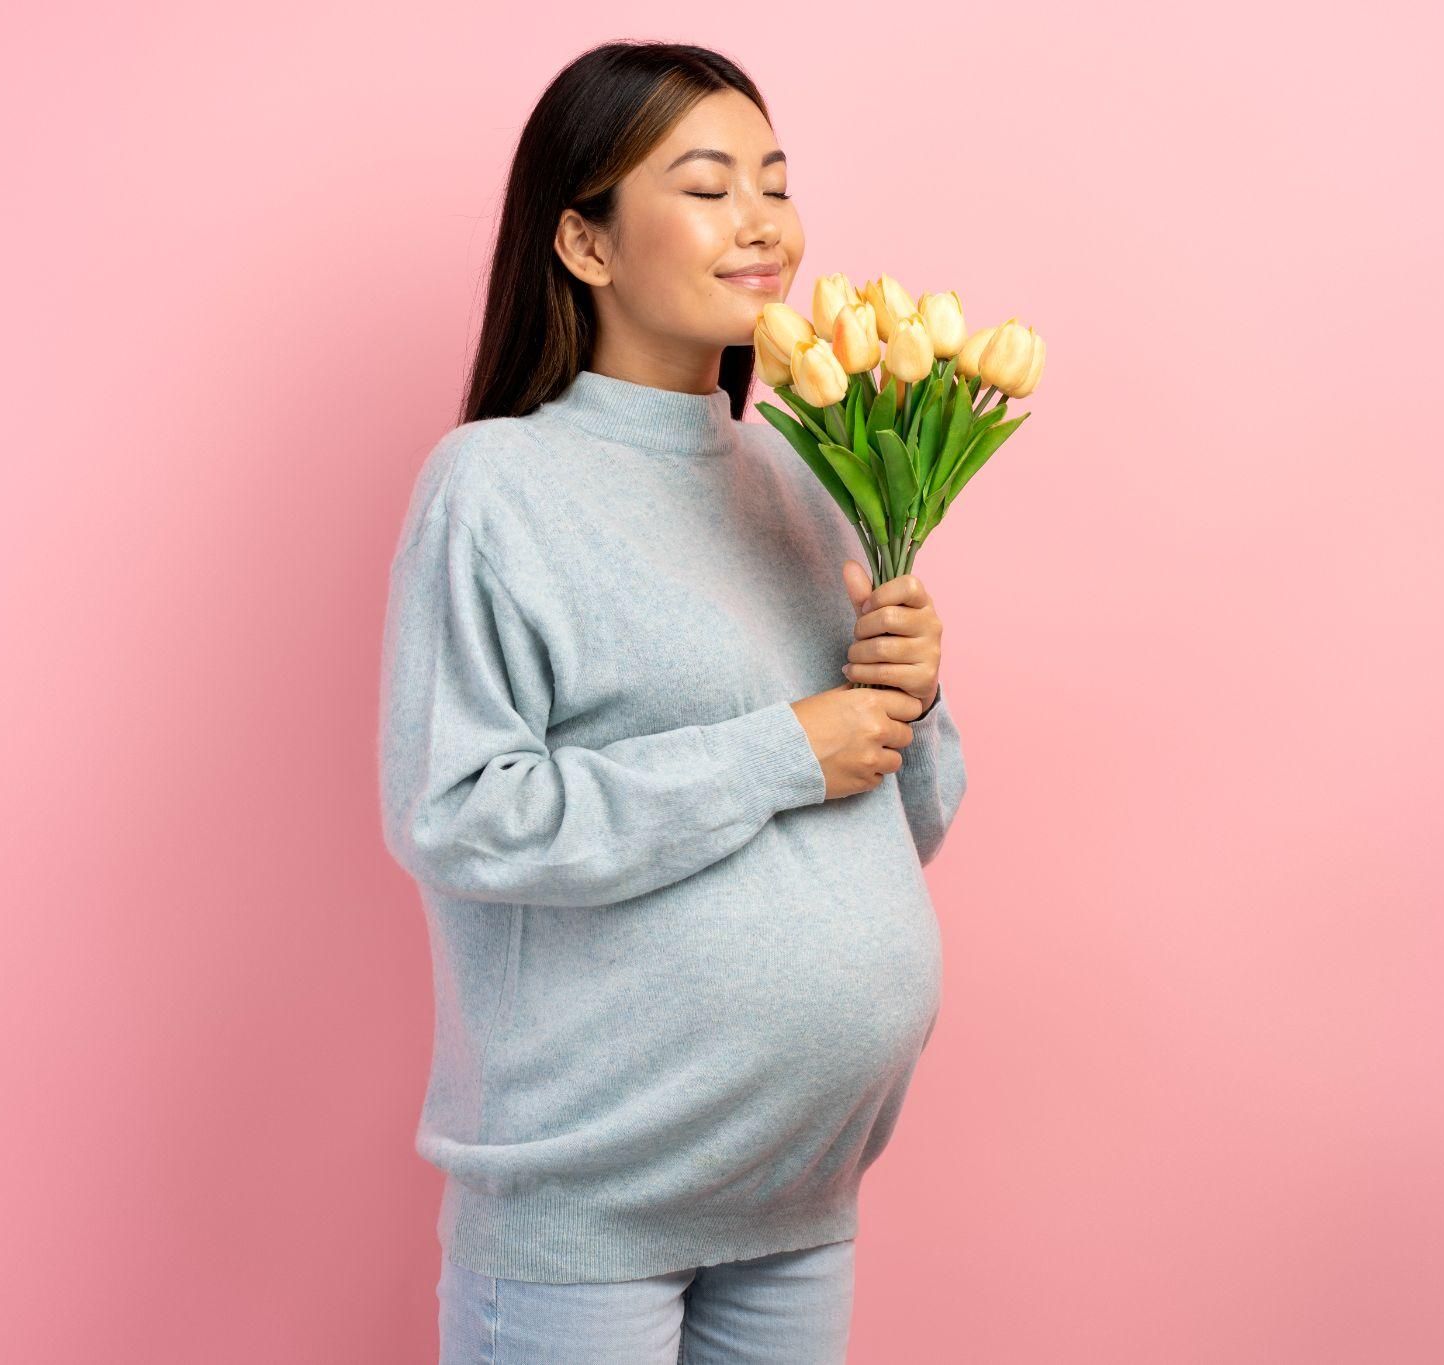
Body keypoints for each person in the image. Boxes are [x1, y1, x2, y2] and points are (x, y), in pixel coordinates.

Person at [378, 40, 969, 1364]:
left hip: (796, 1200)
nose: (764, 222)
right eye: (708, 187)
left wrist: (912, 697)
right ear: (585, 244)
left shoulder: (810, 474)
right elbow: (463, 817)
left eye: (774, 180)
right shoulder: (496, 489)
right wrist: (782, 750)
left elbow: (894, 835)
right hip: (588, 1213)